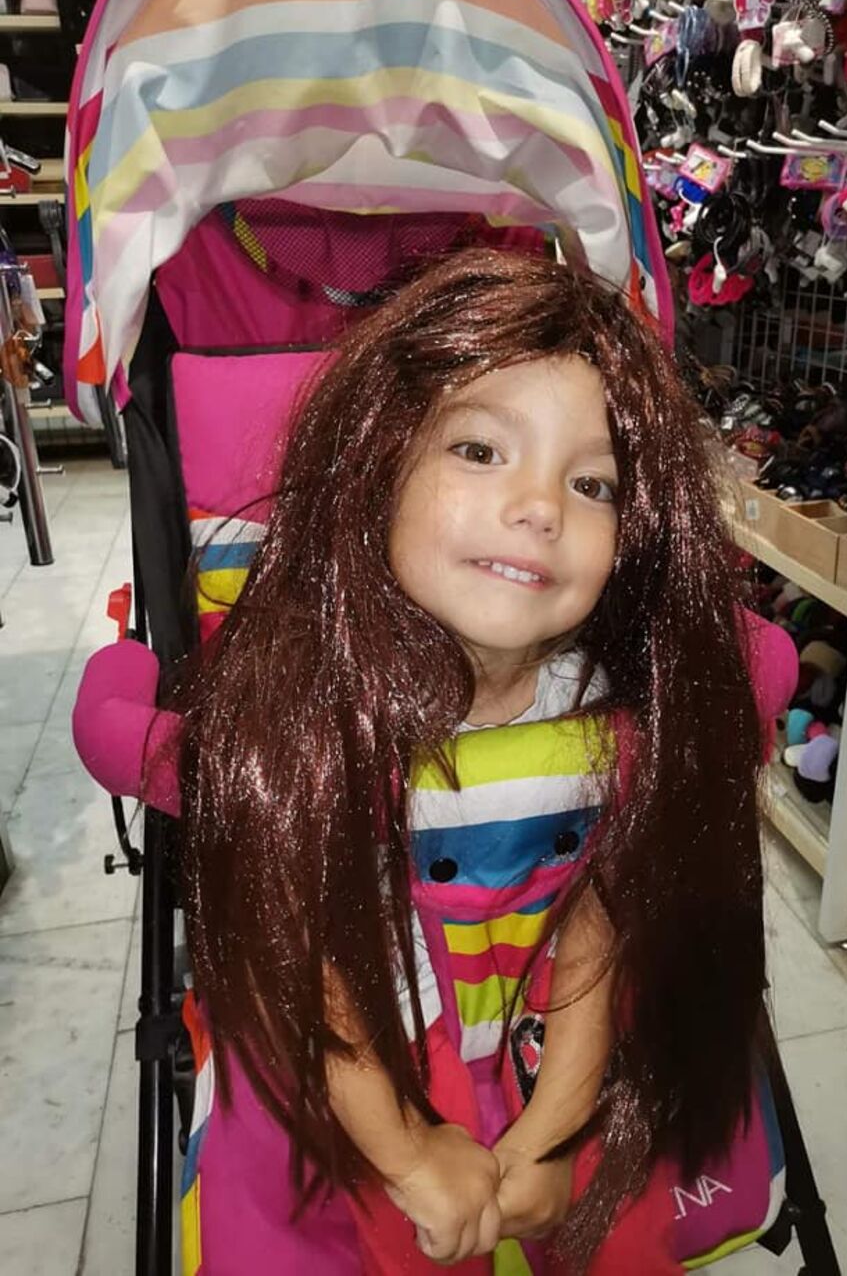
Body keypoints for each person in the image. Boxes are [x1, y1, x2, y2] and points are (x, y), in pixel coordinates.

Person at [74, 248, 798, 1274]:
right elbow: (312, 973)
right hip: (356, 1064)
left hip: (552, 1038)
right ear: (379, 469)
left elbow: (599, 934)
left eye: (592, 481)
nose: (540, 506)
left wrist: (551, 1138)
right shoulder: (302, 732)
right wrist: (411, 1155)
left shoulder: (612, 717)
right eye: (479, 449)